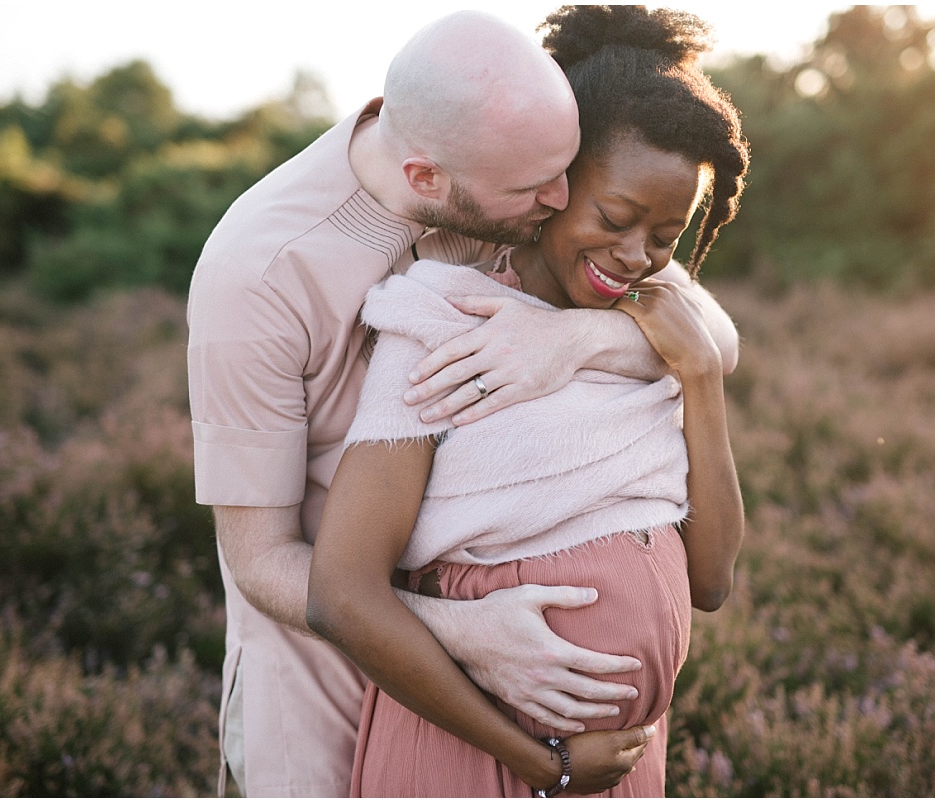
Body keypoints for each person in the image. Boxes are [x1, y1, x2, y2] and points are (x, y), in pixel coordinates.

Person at [186, 8, 741, 798]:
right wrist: (463, 630)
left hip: (522, 702)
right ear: (427, 180)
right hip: (317, 677)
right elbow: (258, 558)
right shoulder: (259, 275)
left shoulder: (512, 165)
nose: (557, 197)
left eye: (567, 175)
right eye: (537, 189)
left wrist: (572, 344)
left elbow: (704, 329)